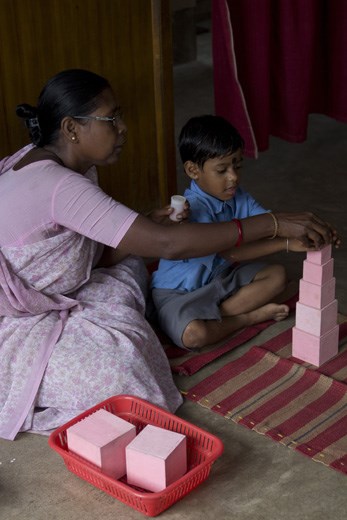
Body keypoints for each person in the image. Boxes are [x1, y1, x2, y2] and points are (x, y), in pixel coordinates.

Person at [0, 70, 339, 441]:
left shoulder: (63, 167)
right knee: (122, 372)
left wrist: (145, 224)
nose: (124, 128)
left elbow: (97, 248)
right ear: (71, 128)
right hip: (20, 318)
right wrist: (274, 224)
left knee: (130, 268)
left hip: (61, 289)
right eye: (112, 119)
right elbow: (167, 245)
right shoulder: (61, 185)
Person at [150, 115, 338, 350]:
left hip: (220, 281)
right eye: (222, 170)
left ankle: (214, 316)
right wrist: (286, 244)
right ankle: (248, 317)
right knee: (193, 335)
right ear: (192, 170)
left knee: (277, 275)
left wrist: (308, 233)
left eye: (237, 165)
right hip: (179, 293)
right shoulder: (194, 208)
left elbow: (269, 224)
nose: (234, 177)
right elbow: (231, 253)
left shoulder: (239, 196)